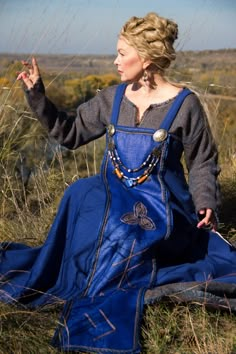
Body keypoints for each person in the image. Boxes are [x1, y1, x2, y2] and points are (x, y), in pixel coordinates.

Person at [1, 12, 236, 353]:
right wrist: (38, 95)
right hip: (114, 195)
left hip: (162, 206)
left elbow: (202, 161)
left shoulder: (186, 105)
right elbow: (68, 133)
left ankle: (101, 292)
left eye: (122, 53)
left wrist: (207, 201)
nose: (115, 61)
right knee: (79, 193)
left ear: (146, 58)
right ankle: (75, 274)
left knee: (124, 230)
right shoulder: (113, 98)